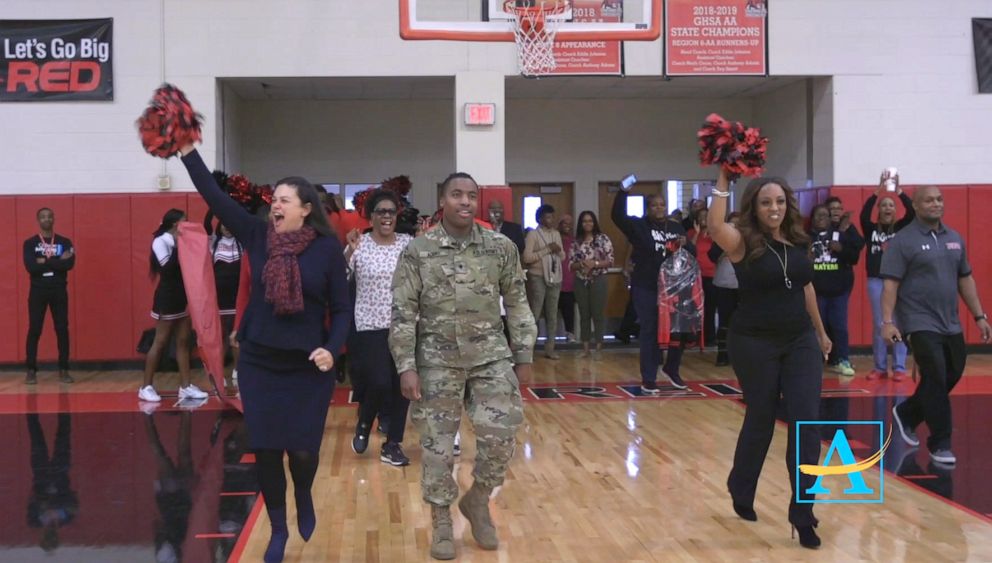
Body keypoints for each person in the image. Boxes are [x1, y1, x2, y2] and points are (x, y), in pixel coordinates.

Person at [179, 143, 351, 563]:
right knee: (269, 448)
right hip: (259, 360)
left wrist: (332, 349)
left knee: (304, 451)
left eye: (284, 200)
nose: (274, 205)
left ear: (306, 209)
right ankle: (278, 529)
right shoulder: (257, 235)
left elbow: (344, 308)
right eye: (273, 200)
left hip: (308, 364)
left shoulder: (327, 250)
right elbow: (213, 196)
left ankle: (304, 494)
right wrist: (187, 152)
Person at [390, 172, 536, 560]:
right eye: (457, 195)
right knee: (438, 448)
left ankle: (478, 499)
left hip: (490, 357)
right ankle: (440, 520)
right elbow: (403, 313)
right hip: (436, 361)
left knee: (502, 436)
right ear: (443, 199)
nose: (466, 202)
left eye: (472, 195)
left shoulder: (499, 247)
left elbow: (518, 302)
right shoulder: (418, 251)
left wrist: (524, 353)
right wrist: (406, 365)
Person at [707, 168, 832, 550]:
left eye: (779, 201)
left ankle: (803, 513)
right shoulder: (741, 241)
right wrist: (724, 180)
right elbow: (714, 226)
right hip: (754, 342)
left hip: (799, 340)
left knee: (806, 422)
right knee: (760, 416)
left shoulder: (797, 240)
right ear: (755, 207)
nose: (773, 208)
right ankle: (741, 488)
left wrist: (821, 332)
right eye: (766, 202)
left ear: (787, 205)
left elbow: (805, 286)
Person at [882, 185, 991, 466]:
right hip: (918, 322)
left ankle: (907, 414)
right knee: (936, 373)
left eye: (939, 199)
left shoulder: (954, 238)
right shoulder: (903, 241)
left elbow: (965, 279)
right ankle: (940, 443)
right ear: (915, 206)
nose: (936, 204)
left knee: (950, 372)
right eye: (929, 200)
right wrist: (887, 322)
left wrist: (980, 316)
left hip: (950, 323)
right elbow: (890, 284)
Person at [345, 189, 413, 466]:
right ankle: (364, 422)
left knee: (403, 387)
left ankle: (393, 443)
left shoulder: (408, 244)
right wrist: (349, 248)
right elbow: (338, 276)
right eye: (380, 211)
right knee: (379, 381)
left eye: (391, 212)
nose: (386, 216)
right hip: (369, 325)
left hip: (404, 326)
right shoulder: (359, 244)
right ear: (371, 216)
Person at [611, 184, 691, 392]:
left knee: (678, 331)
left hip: (673, 286)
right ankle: (649, 377)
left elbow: (689, 253)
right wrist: (623, 191)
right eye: (654, 205)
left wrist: (686, 243)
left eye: (662, 205)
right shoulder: (639, 226)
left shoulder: (675, 227)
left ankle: (671, 369)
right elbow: (617, 216)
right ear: (648, 208)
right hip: (646, 285)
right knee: (650, 330)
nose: (659, 208)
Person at [139, 209, 209, 404]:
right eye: (183, 222)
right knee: (160, 342)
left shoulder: (183, 241)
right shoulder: (160, 241)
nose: (186, 225)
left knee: (183, 341)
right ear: (174, 225)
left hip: (184, 295)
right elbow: (167, 270)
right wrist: (179, 246)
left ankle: (185, 386)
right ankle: (145, 387)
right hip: (168, 296)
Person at [860, 174, 914, 381]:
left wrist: (898, 190)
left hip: (898, 280)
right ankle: (880, 367)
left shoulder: (901, 227)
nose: (888, 208)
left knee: (897, 321)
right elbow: (864, 214)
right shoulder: (871, 228)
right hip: (876, 280)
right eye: (884, 205)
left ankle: (899, 366)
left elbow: (911, 211)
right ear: (879, 210)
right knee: (880, 323)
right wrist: (878, 191)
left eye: (891, 205)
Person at [23, 207, 75, 385]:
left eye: (49, 216)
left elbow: (69, 264)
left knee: (61, 328)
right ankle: (31, 370)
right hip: (38, 290)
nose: (46, 219)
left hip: (58, 289)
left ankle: (64, 369)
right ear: (38, 220)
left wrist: (43, 261)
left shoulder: (65, 241)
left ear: (54, 219)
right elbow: (31, 267)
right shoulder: (30, 243)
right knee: (35, 329)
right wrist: (57, 260)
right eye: (43, 217)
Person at [821, 196, 865, 375]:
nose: (837, 211)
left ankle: (843, 359)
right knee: (821, 324)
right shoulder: (820, 228)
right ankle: (820, 359)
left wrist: (843, 242)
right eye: (833, 208)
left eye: (839, 208)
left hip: (841, 284)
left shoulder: (847, 227)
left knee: (839, 324)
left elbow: (856, 251)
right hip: (820, 284)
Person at [205, 215, 244, 389]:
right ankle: (218, 372)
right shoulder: (213, 242)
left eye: (230, 225)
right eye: (223, 225)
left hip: (236, 296)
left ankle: (238, 369)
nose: (226, 228)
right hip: (219, 297)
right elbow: (206, 224)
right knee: (221, 336)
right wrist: (214, 206)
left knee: (235, 335)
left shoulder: (241, 243)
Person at [569, 211, 614, 359]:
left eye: (590, 221)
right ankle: (586, 348)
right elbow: (570, 264)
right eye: (584, 221)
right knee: (584, 314)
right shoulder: (576, 242)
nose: (587, 224)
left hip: (598, 279)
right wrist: (581, 264)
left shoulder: (603, 239)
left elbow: (610, 260)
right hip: (581, 281)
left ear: (594, 223)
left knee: (598, 314)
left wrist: (594, 264)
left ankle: (599, 348)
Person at [523, 204, 565, 359]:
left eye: (552, 216)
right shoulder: (533, 235)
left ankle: (550, 348)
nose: (551, 220)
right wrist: (547, 249)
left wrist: (558, 250)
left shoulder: (556, 234)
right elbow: (527, 258)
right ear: (540, 218)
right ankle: (529, 350)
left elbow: (563, 257)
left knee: (552, 314)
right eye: (547, 217)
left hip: (555, 277)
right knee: (535, 313)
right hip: (537, 277)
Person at [708, 211, 741, 366]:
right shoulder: (721, 240)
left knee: (742, 321)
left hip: (744, 285)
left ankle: (740, 354)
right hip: (724, 284)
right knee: (724, 320)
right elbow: (712, 255)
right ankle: (722, 353)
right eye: (732, 224)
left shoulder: (749, 239)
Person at [687, 207, 717, 346]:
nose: (703, 218)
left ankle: (709, 337)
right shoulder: (691, 233)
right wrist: (697, 234)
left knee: (709, 308)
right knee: (695, 308)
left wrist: (712, 233)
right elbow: (689, 251)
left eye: (706, 215)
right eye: (701, 216)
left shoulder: (716, 234)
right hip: (695, 276)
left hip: (711, 275)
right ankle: (694, 337)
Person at [557, 214, 577, 342]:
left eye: (570, 224)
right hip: (554, 280)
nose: (567, 226)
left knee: (569, 309)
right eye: (565, 223)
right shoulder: (554, 239)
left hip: (570, 282)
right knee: (550, 311)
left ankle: (570, 333)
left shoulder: (575, 241)